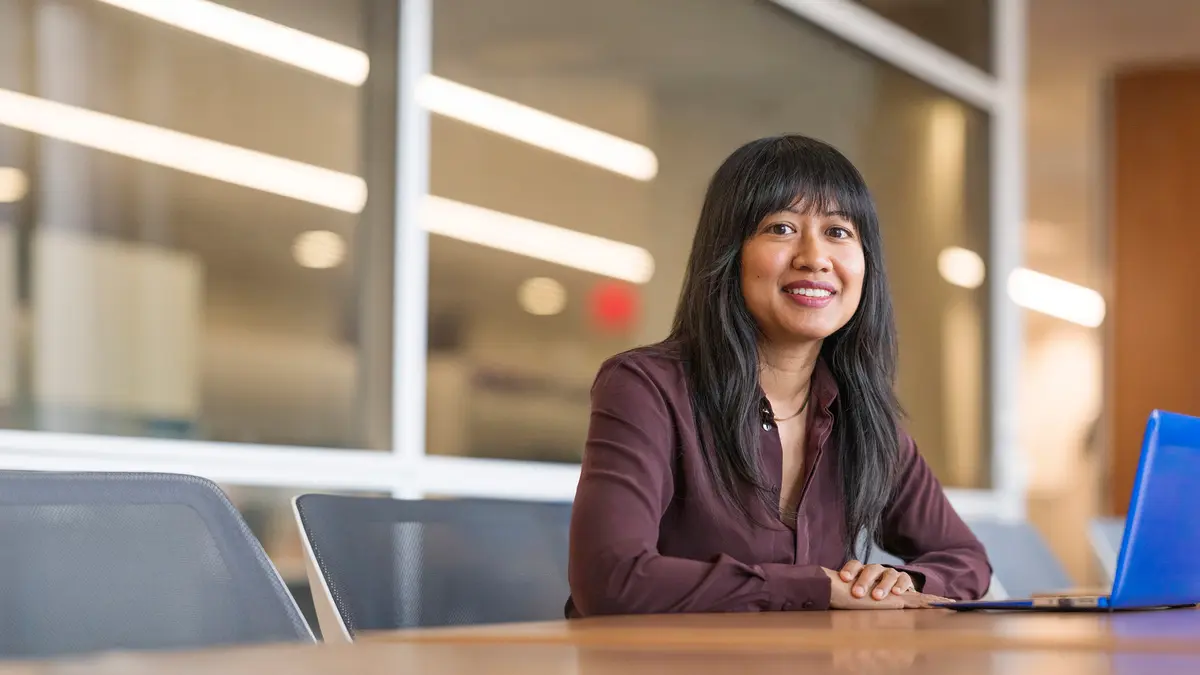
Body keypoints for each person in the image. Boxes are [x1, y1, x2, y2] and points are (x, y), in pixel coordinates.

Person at [565, 134, 992, 616]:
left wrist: (898, 582)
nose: (814, 256)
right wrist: (816, 587)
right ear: (729, 255)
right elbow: (610, 580)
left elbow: (967, 562)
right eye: (782, 227)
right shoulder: (647, 388)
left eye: (838, 232)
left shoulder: (861, 419)